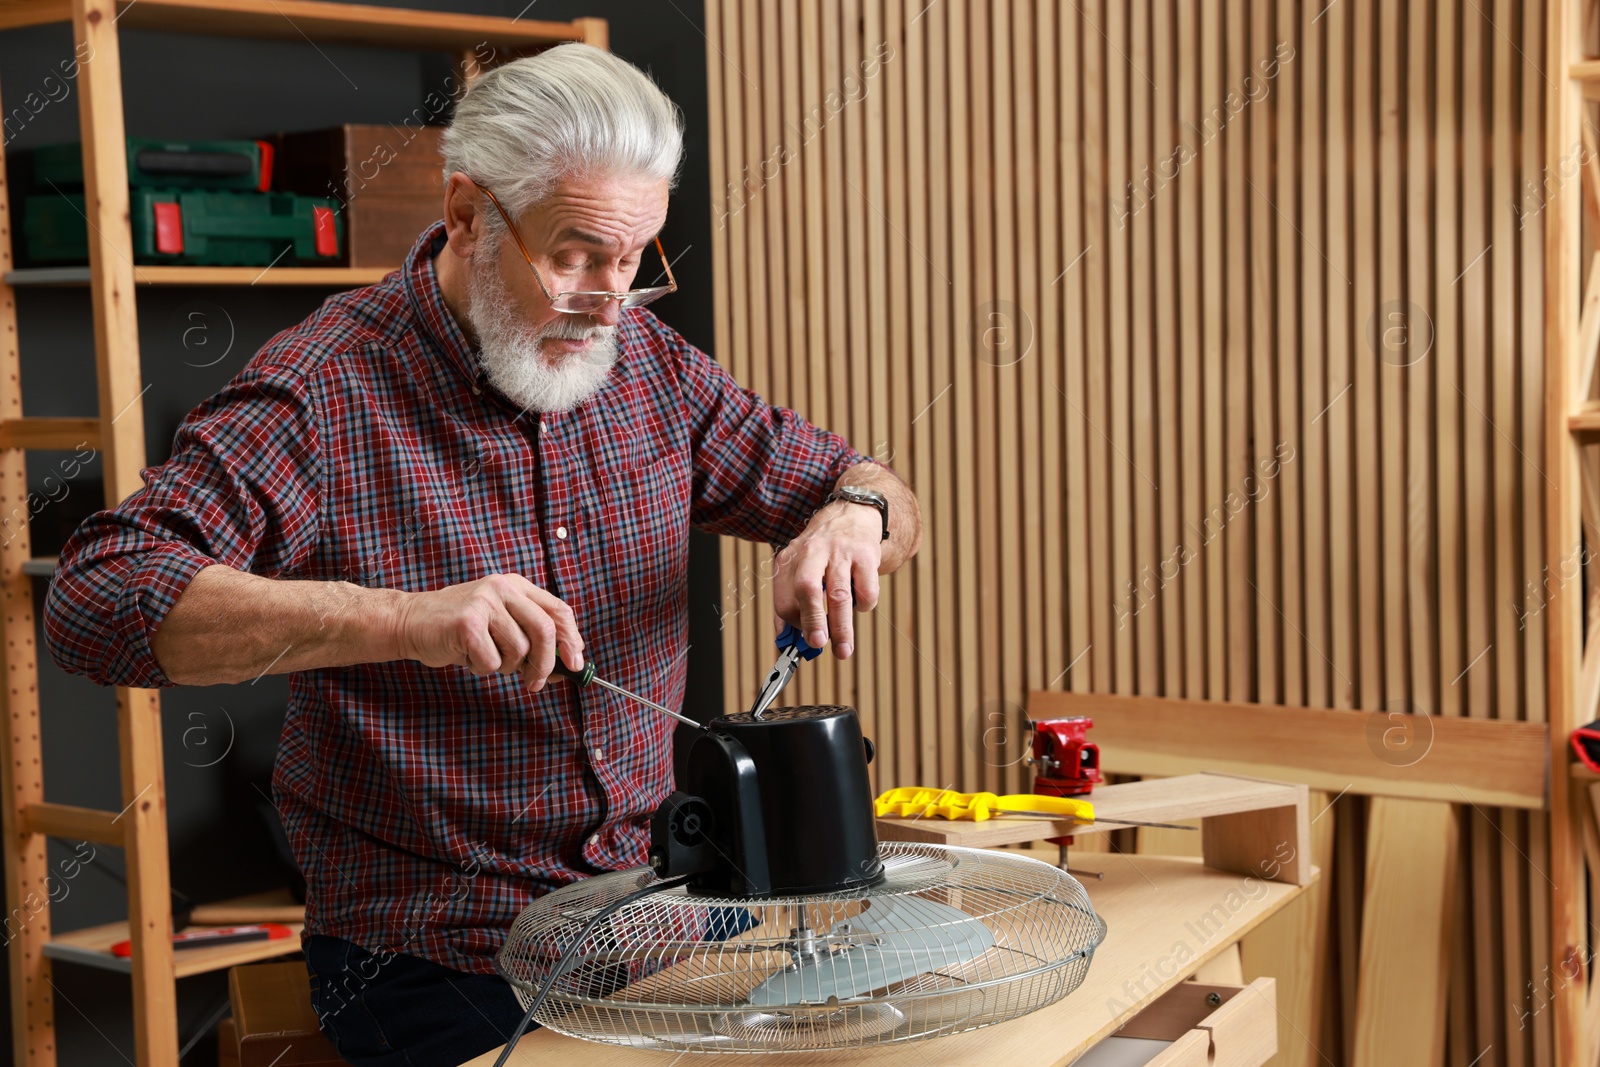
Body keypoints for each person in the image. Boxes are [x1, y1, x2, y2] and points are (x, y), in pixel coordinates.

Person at [42, 43, 920, 1067]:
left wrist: (852, 514)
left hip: (658, 912)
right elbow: (98, 601)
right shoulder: (326, 388)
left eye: (635, 256)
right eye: (575, 253)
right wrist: (404, 620)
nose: (607, 296)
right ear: (465, 211)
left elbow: (874, 487)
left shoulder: (649, 364)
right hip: (440, 954)